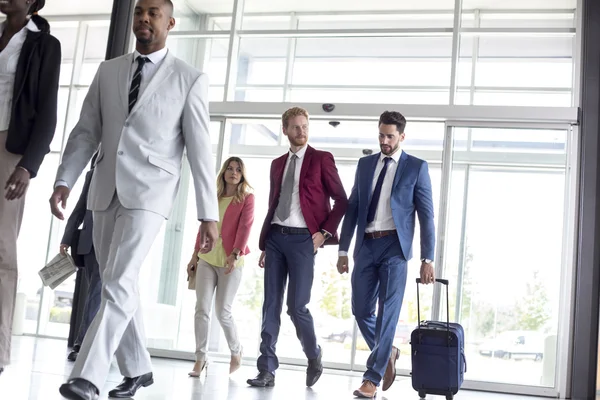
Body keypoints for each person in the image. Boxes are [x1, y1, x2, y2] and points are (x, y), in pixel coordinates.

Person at [49, 0, 219, 399]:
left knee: (120, 278)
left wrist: (207, 213)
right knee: (115, 281)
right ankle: (139, 368)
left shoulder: (189, 78)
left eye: (153, 13)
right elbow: (86, 130)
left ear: (170, 22)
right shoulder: (109, 71)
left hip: (151, 193)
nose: (144, 18)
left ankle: (87, 376)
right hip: (105, 187)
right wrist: (65, 180)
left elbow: (199, 149)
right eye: (139, 11)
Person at [337, 111, 436, 398]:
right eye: (381, 135)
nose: (384, 140)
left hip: (395, 247)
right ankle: (388, 350)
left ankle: (372, 378)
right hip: (366, 244)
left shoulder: (416, 167)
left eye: (390, 136)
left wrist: (427, 259)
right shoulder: (365, 165)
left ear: (402, 136)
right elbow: (353, 206)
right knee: (360, 309)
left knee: (388, 312)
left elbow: (426, 216)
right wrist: (343, 249)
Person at [247, 107, 348, 388]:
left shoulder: (321, 159)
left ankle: (313, 354)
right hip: (276, 237)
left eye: (305, 126)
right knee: (270, 305)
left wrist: (324, 233)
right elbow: (274, 202)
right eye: (295, 127)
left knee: (296, 306)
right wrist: (266, 242)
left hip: (305, 240)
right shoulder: (277, 163)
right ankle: (266, 368)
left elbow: (342, 200)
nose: (301, 131)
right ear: (285, 130)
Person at [0, 0, 60, 377]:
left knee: (3, 249)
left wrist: (28, 165)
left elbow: (47, 109)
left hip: (11, 148)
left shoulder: (42, 44)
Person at [187, 157, 254, 378]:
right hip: (207, 258)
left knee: (223, 311)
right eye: (229, 169)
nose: (233, 173)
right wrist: (194, 256)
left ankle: (236, 350)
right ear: (223, 172)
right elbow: (202, 230)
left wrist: (235, 254)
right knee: (201, 309)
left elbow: (245, 228)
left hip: (231, 261)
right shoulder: (212, 198)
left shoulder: (247, 198)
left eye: (238, 170)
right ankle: (200, 358)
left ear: (242, 174)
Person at [60, 154, 101, 362]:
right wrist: (67, 238)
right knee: (95, 295)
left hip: (112, 243)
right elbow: (80, 208)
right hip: (88, 243)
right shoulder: (92, 175)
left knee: (97, 294)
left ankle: (83, 342)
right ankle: (90, 343)